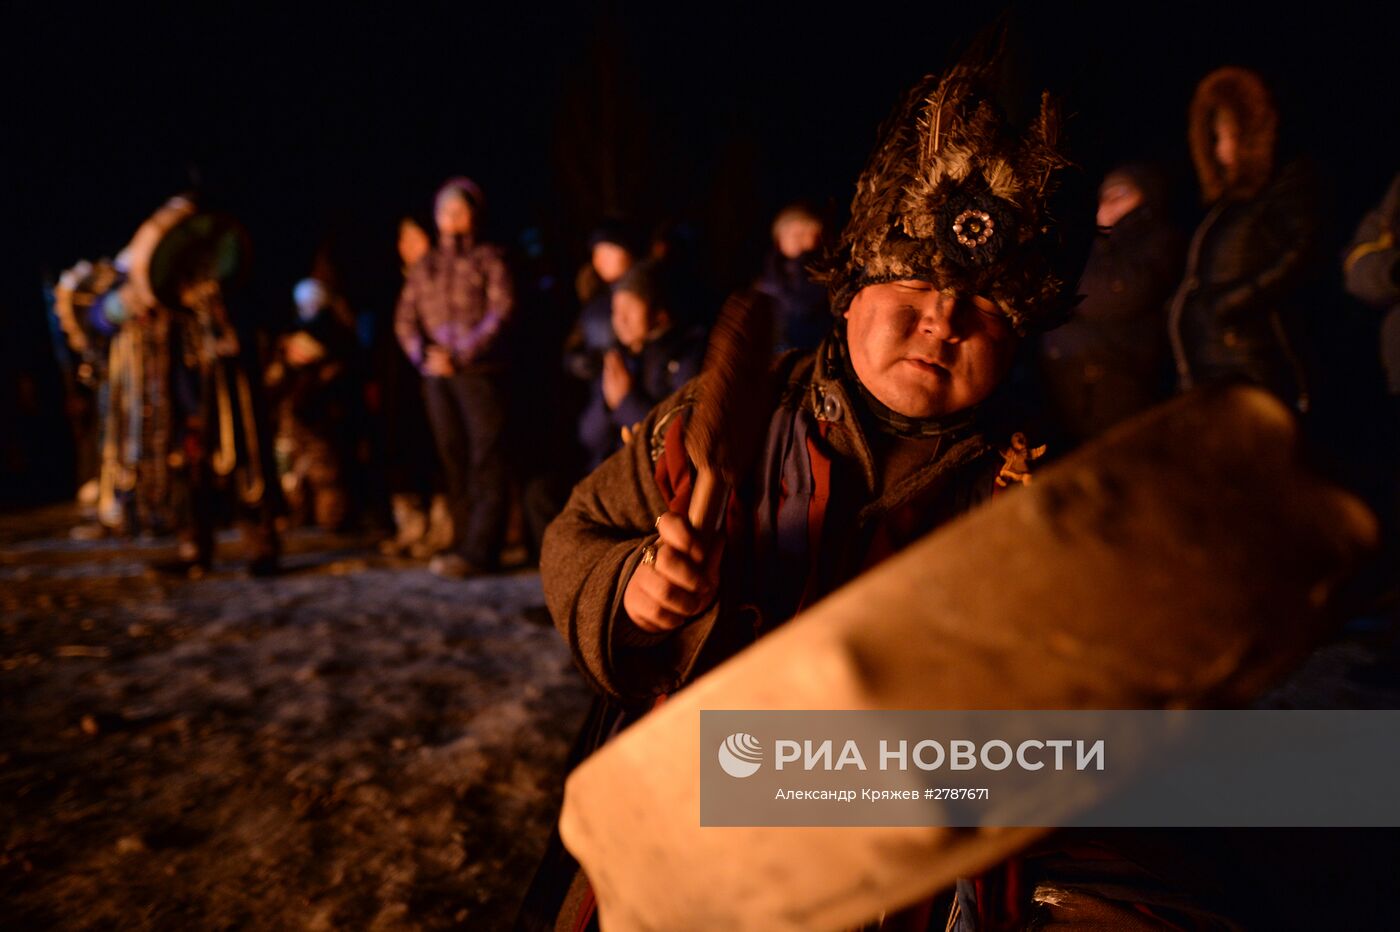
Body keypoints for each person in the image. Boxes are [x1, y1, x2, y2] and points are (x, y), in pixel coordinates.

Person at [522, 53, 1133, 930]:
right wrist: (639, 593)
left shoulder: (1045, 487)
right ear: (848, 297)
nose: (945, 320)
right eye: (915, 283)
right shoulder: (726, 417)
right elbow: (580, 532)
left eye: (985, 308)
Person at [1167, 66, 1318, 411]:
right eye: (1215, 137)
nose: (1221, 150)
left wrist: (1232, 302)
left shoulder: (1286, 185)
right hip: (1208, 358)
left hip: (1248, 357)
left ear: (1253, 134)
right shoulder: (1226, 205)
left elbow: (1302, 250)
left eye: (1229, 136)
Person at [393, 177, 515, 577]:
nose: (452, 218)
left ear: (473, 215)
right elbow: (405, 318)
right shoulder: (425, 266)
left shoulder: (489, 258)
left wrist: (462, 356)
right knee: (453, 457)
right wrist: (422, 355)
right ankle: (463, 542)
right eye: (445, 211)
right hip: (436, 377)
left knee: (486, 456)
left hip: (479, 374)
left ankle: (483, 547)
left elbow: (501, 310)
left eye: (460, 210)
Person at [1040, 165, 1184, 442]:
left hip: (1114, 377)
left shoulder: (1157, 238)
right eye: (1105, 194)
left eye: (1121, 192)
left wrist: (1061, 290)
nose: (1108, 201)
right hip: (1066, 378)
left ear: (1148, 195)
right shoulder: (1093, 242)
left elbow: (1120, 292)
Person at [577, 260, 704, 470]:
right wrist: (608, 405)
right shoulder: (620, 358)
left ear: (659, 312)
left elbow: (678, 435)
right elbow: (588, 437)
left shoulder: (687, 354)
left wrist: (626, 401)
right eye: (615, 309)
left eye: (630, 307)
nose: (620, 319)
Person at [563, 221, 641, 384]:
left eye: (608, 250)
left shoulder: (646, 292)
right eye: (595, 253)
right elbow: (576, 340)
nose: (599, 260)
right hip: (602, 387)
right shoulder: (594, 297)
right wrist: (575, 360)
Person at [755, 202, 830, 353]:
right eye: (795, 234)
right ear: (778, 239)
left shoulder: (827, 275)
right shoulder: (768, 281)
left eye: (806, 234)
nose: (800, 241)